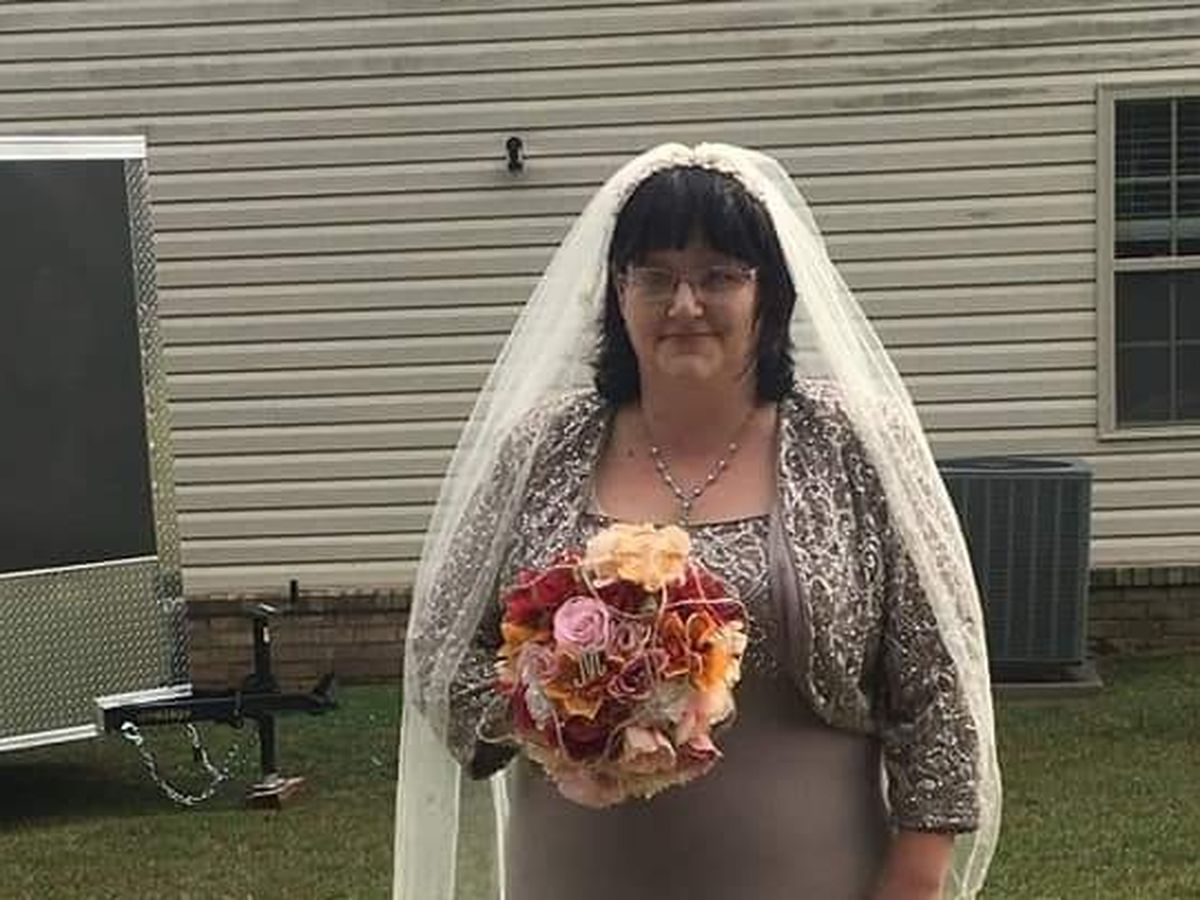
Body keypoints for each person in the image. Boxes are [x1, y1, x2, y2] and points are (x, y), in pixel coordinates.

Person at [394, 143, 1000, 900]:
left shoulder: (854, 445)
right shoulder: (543, 448)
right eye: (655, 277)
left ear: (770, 294)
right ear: (618, 295)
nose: (685, 304)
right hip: (573, 876)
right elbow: (441, 648)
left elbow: (940, 678)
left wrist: (914, 879)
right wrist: (558, 710)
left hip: (816, 875)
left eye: (718, 276)